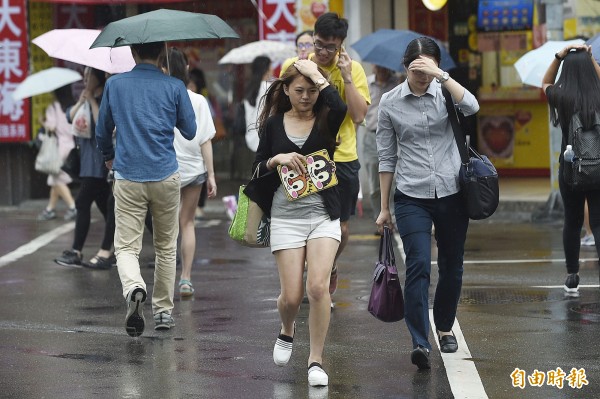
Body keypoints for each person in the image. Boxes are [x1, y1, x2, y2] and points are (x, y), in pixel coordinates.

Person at [375, 37, 479, 370]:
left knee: (452, 264)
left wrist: (441, 75)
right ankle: (420, 340)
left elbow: (473, 107)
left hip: (451, 191)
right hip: (411, 195)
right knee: (418, 264)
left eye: (429, 66)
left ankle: (445, 325)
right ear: (405, 67)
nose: (422, 74)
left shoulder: (447, 91)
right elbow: (387, 157)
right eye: (417, 67)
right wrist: (384, 207)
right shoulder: (390, 103)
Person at [244, 59, 347, 387]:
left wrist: (317, 73)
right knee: (290, 297)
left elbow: (340, 104)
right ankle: (287, 329)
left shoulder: (327, 118)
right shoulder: (273, 125)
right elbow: (258, 167)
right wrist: (277, 159)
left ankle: (315, 360)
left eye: (312, 90)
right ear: (285, 90)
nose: (306, 96)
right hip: (286, 217)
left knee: (317, 287)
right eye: (299, 90)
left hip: (323, 216)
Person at [96, 42, 196, 337]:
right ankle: (163, 311)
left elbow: (102, 130)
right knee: (166, 247)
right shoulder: (175, 85)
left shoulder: (115, 84)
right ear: (161, 52)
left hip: (128, 175)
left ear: (134, 52)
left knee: (126, 246)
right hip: (165, 174)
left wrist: (107, 156)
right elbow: (190, 130)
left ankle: (134, 287)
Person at [280, 12, 370, 297]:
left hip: (342, 159)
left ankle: (327, 266)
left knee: (341, 230)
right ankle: (312, 279)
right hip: (302, 159)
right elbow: (280, 110)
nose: (322, 52)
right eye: (318, 44)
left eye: (330, 47)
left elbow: (358, 116)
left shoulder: (352, 69)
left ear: (341, 45)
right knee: (303, 226)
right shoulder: (296, 66)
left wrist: (346, 79)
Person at [542, 43, 600, 295]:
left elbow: (545, 83)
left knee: (572, 221)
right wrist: (590, 58)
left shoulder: (562, 96)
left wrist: (559, 56)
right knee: (598, 223)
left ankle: (572, 275)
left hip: (570, 168)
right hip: (599, 168)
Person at [160, 48, 217, 298]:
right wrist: (212, 175)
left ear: (163, 70)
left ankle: (165, 281)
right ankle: (186, 279)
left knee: (167, 227)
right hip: (194, 169)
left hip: (165, 169)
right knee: (188, 223)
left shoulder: (158, 97)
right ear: (185, 69)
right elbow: (205, 140)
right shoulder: (198, 100)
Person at [54, 67, 116, 270]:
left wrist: (91, 101)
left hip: (101, 162)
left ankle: (76, 251)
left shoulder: (105, 100)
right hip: (87, 162)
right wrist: (83, 100)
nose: (85, 79)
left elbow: (103, 128)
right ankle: (116, 248)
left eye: (89, 76)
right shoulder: (83, 99)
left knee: (82, 203)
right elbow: (70, 117)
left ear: (99, 79)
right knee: (108, 209)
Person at [359, 65, 402, 223]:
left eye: (385, 67)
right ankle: (380, 216)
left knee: (395, 179)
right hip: (372, 136)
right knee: (374, 183)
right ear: (373, 67)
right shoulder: (366, 83)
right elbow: (359, 110)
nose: (382, 69)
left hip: (393, 136)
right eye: (379, 67)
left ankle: (393, 216)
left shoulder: (398, 84)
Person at [37, 84, 77, 221]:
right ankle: (50, 209)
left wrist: (42, 122)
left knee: (56, 179)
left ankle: (73, 207)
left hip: (60, 147)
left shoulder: (54, 107)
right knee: (56, 178)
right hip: (72, 145)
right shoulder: (73, 105)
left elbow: (52, 127)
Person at [244, 56, 273, 152]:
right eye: (270, 66)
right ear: (266, 69)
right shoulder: (268, 87)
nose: (272, 69)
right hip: (265, 139)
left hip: (251, 137)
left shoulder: (250, 87)